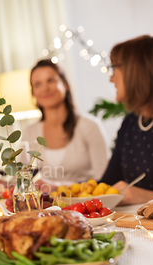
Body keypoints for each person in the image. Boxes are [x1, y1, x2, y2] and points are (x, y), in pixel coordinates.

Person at [100, 34, 153, 205]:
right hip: (137, 229)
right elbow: (106, 185)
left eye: (114, 68)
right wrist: (56, 189)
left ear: (138, 71)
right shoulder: (131, 123)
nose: (111, 78)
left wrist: (146, 198)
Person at [20, 59, 110, 192]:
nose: (45, 88)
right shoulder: (30, 132)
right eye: (38, 84)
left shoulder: (89, 126)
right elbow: (21, 177)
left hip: (86, 206)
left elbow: (104, 181)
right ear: (33, 93)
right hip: (48, 208)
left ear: (65, 85)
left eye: (51, 80)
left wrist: (60, 187)